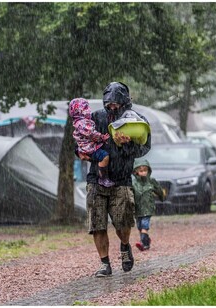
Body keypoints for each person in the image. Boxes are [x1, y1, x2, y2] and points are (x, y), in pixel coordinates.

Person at [78, 81, 151, 278]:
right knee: (97, 224)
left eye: (115, 104)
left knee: (123, 222)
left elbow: (144, 148)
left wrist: (126, 145)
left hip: (121, 179)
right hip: (96, 179)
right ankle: (105, 264)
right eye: (108, 104)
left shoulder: (137, 120)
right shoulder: (95, 118)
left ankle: (125, 246)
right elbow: (80, 138)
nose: (111, 107)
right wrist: (80, 151)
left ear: (124, 102)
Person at [69, 98, 115, 187]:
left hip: (87, 147)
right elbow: (91, 133)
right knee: (104, 156)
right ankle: (103, 178)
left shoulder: (80, 122)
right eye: (86, 107)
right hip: (89, 148)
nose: (88, 109)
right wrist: (102, 137)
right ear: (81, 110)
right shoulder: (82, 123)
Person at [131, 159, 165, 251]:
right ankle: (146, 241)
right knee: (139, 226)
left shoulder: (151, 181)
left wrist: (162, 197)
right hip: (137, 209)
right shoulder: (133, 183)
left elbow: (158, 190)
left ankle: (144, 244)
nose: (143, 173)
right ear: (136, 172)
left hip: (147, 208)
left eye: (145, 170)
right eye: (141, 171)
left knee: (144, 225)